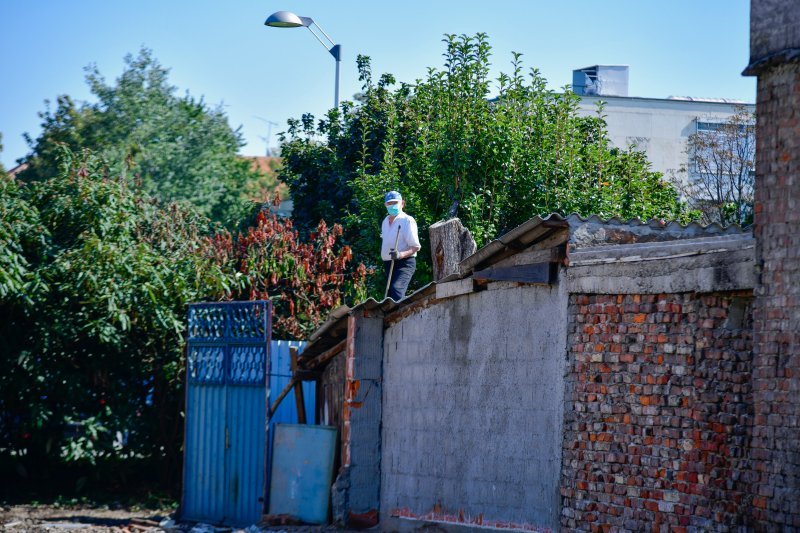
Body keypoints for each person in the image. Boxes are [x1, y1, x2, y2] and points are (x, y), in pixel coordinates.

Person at [381, 190, 421, 301]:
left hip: (404, 262)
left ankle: (407, 316)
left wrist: (400, 254)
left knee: (396, 291)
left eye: (395, 202)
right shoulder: (385, 221)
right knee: (389, 296)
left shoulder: (407, 220)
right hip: (389, 263)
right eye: (389, 203)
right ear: (385, 205)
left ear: (402, 203)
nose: (392, 205)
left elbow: (416, 247)